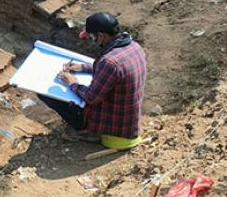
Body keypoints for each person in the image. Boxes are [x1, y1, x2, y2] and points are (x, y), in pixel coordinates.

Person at [39, 12, 147, 150]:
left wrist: (72, 83)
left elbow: (91, 97)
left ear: (101, 36)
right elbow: (117, 71)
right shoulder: (133, 47)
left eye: (92, 37)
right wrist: (84, 67)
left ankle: (86, 131)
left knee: (46, 94)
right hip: (128, 120)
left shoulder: (109, 63)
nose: (92, 40)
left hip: (116, 126)